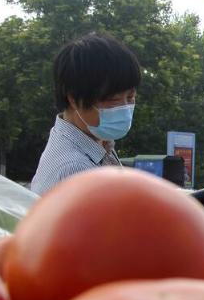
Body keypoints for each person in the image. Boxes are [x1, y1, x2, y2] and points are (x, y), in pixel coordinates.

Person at [31, 32, 141, 195]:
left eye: (130, 97)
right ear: (74, 99)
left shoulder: (96, 143)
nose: (124, 108)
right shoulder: (75, 170)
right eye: (112, 100)